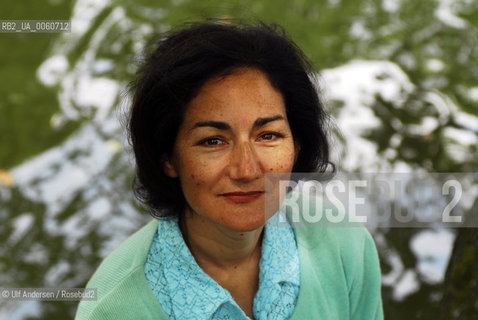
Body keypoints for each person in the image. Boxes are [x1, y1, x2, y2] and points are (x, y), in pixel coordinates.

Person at [75, 20, 383, 320]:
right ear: (167, 159)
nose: (247, 170)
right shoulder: (112, 309)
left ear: (297, 144)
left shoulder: (346, 246)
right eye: (212, 141)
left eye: (268, 135)